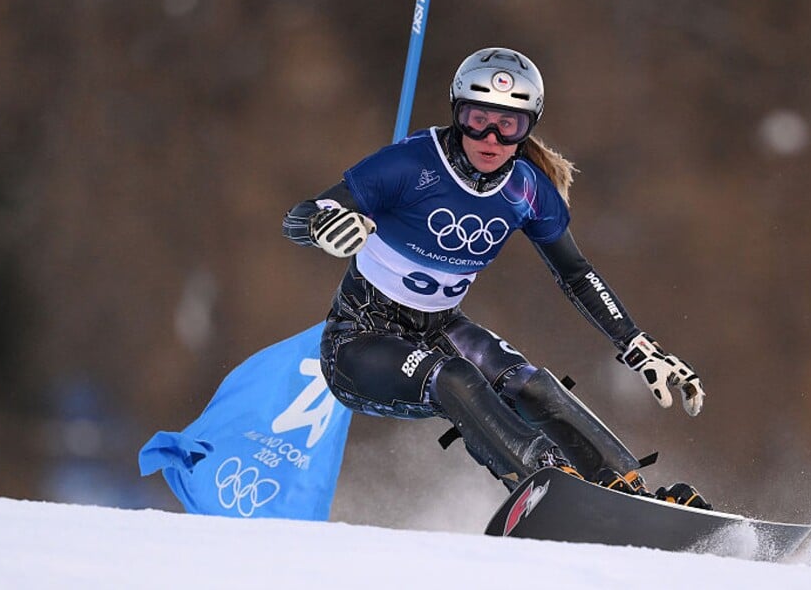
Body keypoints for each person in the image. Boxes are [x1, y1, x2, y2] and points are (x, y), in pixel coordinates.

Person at [283, 47, 709, 508]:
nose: (490, 138)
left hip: (440, 326)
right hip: (359, 340)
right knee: (455, 375)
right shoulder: (409, 164)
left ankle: (629, 493)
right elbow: (301, 214)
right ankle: (548, 487)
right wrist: (320, 225)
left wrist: (635, 342)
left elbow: (577, 275)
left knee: (532, 385)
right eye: (477, 118)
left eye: (509, 125)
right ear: (456, 113)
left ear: (528, 127)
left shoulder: (526, 189)